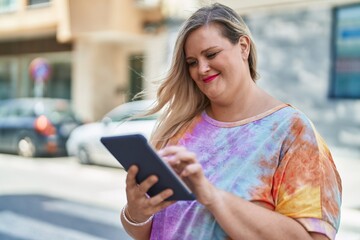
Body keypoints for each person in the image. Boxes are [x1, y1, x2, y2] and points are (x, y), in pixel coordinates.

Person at [120, 3, 342, 240]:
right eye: (192, 62)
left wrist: (212, 196)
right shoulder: (177, 130)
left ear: (243, 47)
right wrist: (136, 213)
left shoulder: (292, 132)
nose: (202, 69)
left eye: (211, 54)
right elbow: (152, 232)